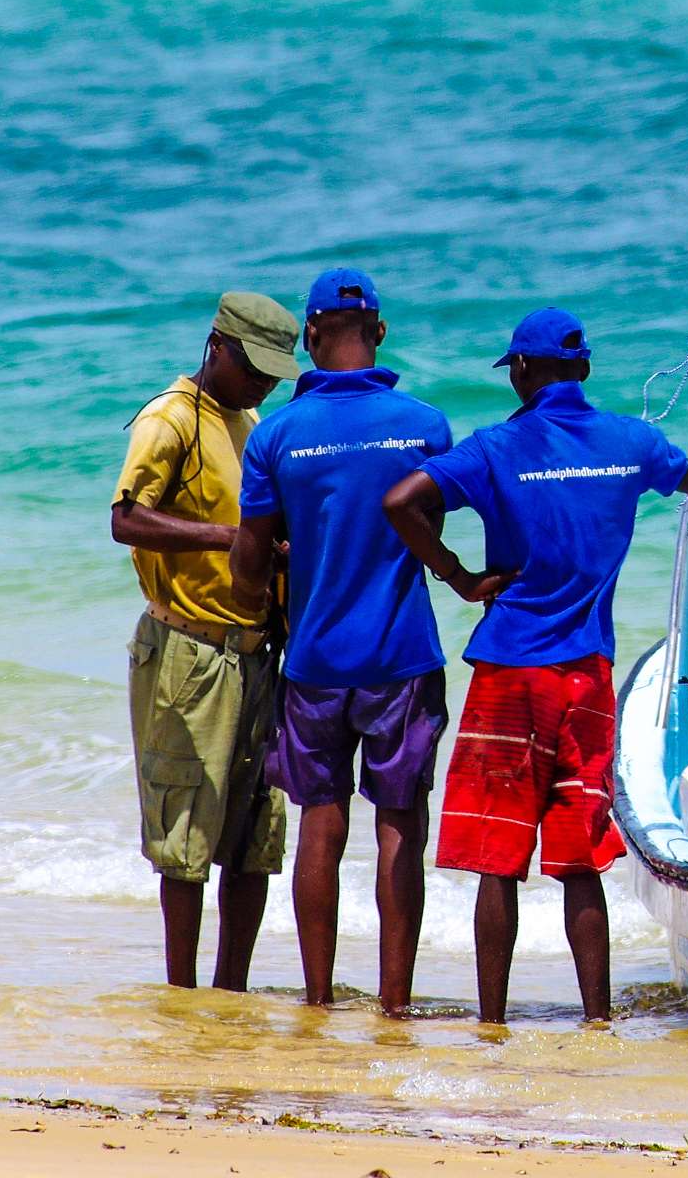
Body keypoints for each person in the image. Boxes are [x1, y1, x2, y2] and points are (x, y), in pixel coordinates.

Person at [382, 306, 688, 1024]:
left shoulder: (495, 446)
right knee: (580, 854)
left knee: (499, 855)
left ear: (522, 370)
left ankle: (492, 1022)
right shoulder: (630, 442)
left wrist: (457, 576)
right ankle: (595, 1018)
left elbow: (401, 501)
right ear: (581, 370)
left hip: (508, 673)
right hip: (586, 675)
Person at [229, 270, 454, 1012]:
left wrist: (256, 603)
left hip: (316, 660)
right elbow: (428, 537)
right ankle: (395, 1005)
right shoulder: (426, 425)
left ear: (313, 338)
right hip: (401, 658)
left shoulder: (278, 434)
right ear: (380, 332)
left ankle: (318, 999)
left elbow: (254, 558)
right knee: (399, 829)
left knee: (320, 823)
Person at [109, 289, 298, 992]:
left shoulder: (249, 421)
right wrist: (229, 538)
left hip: (255, 650)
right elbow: (127, 520)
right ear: (217, 346)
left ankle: (232, 991)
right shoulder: (170, 419)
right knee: (184, 839)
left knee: (254, 836)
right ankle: (181, 994)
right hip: (188, 652)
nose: (266, 384)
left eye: (275, 372)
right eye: (255, 369)